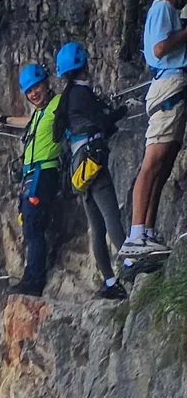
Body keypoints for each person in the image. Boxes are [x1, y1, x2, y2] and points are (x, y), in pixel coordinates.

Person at [124, 0, 187, 253]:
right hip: (168, 85)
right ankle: (136, 234)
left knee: (163, 164)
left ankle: (146, 231)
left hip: (172, 86)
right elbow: (161, 48)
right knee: (152, 163)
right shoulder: (163, 8)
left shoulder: (167, 12)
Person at [56, 42, 127, 299]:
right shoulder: (81, 94)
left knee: (97, 225)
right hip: (93, 162)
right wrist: (122, 111)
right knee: (111, 217)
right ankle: (131, 265)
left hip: (79, 166)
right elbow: (100, 121)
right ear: (83, 65)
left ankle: (109, 281)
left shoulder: (68, 96)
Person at [0, 63, 64, 295]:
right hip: (31, 175)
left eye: (36, 87)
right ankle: (30, 276)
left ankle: (34, 281)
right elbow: (28, 122)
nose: (34, 93)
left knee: (33, 228)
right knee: (29, 225)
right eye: (29, 91)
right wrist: (5, 119)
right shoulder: (40, 113)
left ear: (46, 84)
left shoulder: (58, 105)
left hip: (44, 173)